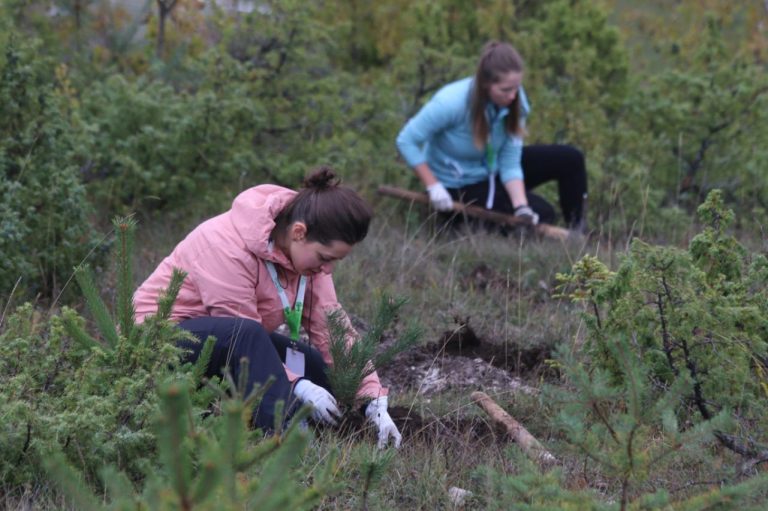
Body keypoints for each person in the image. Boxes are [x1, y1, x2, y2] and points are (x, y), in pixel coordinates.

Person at [133, 166, 401, 449]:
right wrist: (296, 385)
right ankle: (287, 439)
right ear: (299, 232)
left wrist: (372, 399)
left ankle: (357, 427)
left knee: (309, 360)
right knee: (250, 336)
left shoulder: (307, 263)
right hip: (159, 345)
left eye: (336, 261)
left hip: (225, 344)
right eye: (325, 257)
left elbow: (332, 328)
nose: (328, 269)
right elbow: (238, 337)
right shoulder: (224, 245)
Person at [396, 41, 588, 232]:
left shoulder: (515, 102)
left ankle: (579, 233)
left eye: (516, 88)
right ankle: (456, 224)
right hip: (456, 184)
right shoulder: (450, 103)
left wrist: (521, 207)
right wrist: (433, 186)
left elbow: (510, 161)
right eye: (505, 90)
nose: (513, 96)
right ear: (486, 85)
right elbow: (406, 140)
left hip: (491, 169)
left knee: (570, 159)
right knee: (545, 213)